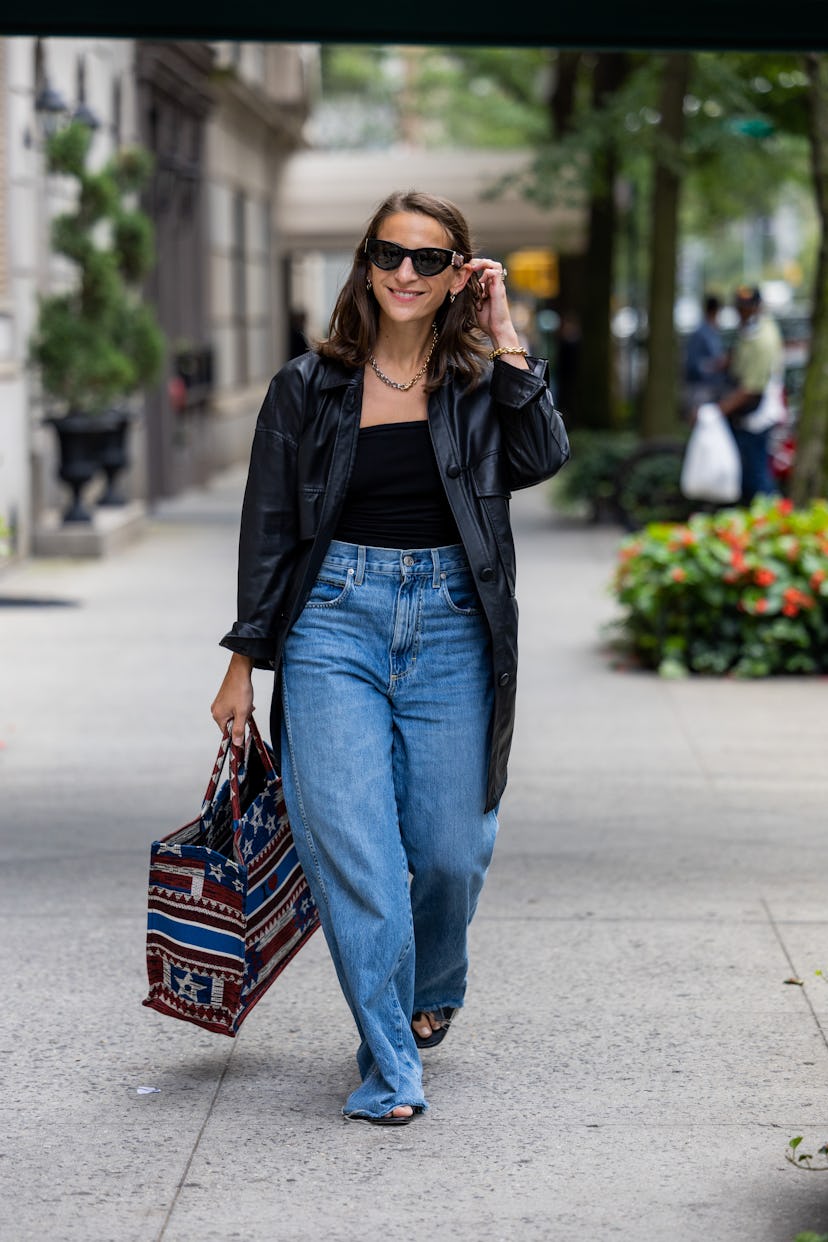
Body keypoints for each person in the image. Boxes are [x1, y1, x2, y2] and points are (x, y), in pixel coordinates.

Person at [210, 189, 570, 1126]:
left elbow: (543, 454)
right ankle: (389, 1061)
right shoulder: (307, 386)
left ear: (458, 273)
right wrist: (246, 659)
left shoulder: (480, 383)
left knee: (450, 852)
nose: (406, 273)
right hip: (332, 622)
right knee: (357, 853)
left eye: (429, 259)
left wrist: (505, 330)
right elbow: (269, 529)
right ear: (367, 262)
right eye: (389, 254)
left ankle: (433, 974)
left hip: (453, 619)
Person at [718, 285, 785, 503]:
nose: (742, 313)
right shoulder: (749, 332)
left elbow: (752, 389)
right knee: (747, 474)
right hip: (746, 412)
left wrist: (718, 410)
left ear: (757, 308)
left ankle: (774, 521)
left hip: (757, 415)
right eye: (739, 308)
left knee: (757, 475)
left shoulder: (762, 338)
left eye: (746, 308)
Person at [682, 293, 728, 416]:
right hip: (701, 391)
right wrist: (715, 365)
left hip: (713, 390)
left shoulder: (714, 332)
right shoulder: (700, 334)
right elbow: (692, 365)